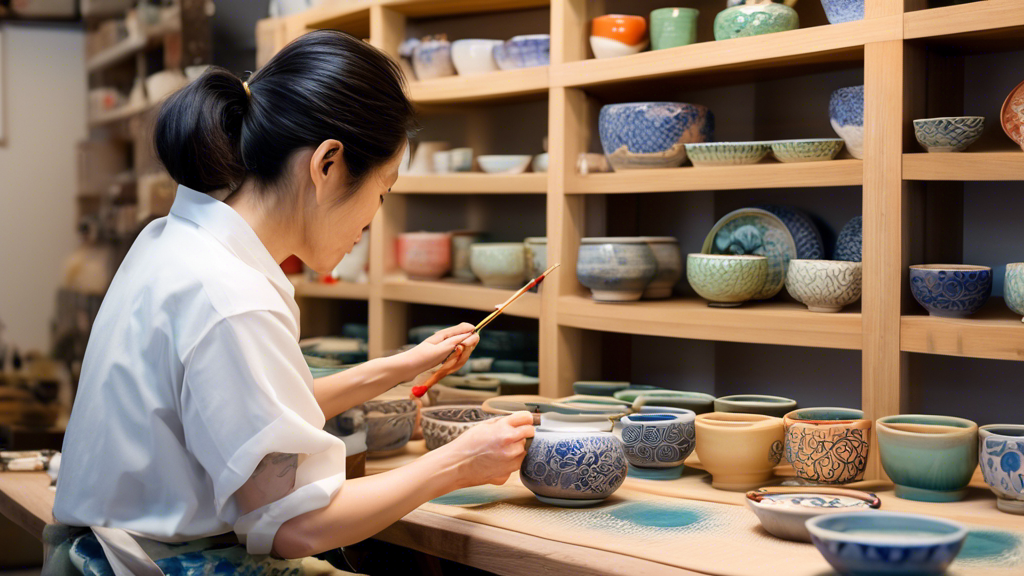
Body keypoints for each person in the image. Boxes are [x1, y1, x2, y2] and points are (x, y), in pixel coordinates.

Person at [48, 29, 534, 574]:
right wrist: (461, 461)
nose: (374, 218)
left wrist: (401, 367)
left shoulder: (176, 240)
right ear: (327, 165)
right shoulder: (233, 296)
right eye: (383, 189)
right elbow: (292, 526)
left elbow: (250, 411)